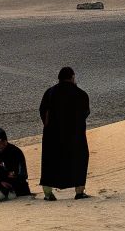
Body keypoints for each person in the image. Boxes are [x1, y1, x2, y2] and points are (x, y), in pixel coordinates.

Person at [38, 66, 91, 200]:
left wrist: (49, 125)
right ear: (72, 77)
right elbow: (85, 113)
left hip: (52, 136)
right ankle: (79, 192)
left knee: (50, 163)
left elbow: (42, 111)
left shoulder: (50, 92)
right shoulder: (81, 93)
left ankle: (48, 194)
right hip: (75, 136)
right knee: (79, 161)